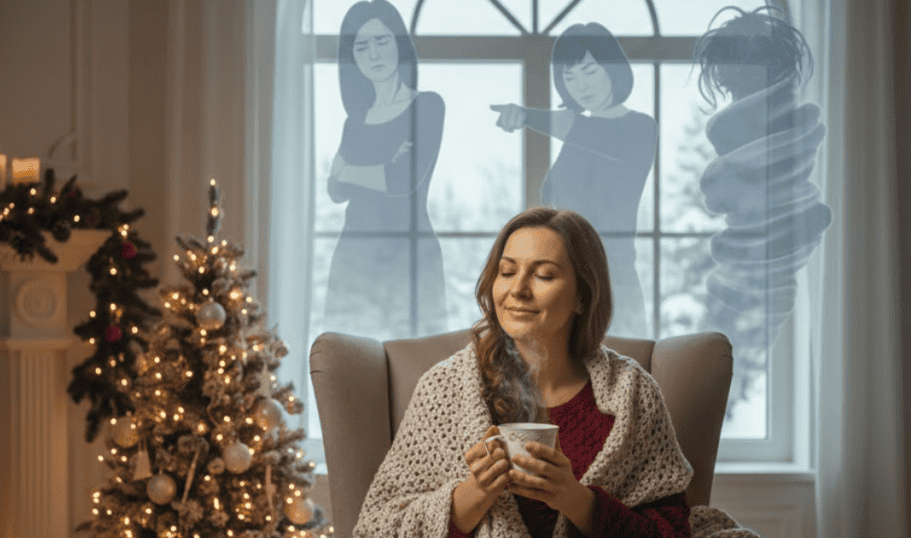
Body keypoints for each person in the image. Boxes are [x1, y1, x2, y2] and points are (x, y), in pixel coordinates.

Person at [352, 207, 758, 537]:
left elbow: (670, 533)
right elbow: (378, 527)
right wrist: (476, 492)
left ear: (582, 296)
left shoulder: (632, 394)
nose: (518, 290)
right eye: (507, 271)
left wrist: (575, 499)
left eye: (543, 274)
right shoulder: (445, 390)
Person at [490, 22, 656, 339]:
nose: (581, 85)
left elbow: (589, 131)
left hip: (610, 280)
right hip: (560, 281)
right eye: (570, 76)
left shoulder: (638, 127)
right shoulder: (575, 140)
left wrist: (526, 115)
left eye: (590, 71)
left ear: (614, 70)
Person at [692, 6, 831, 374]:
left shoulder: (787, 137)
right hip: (743, 281)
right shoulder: (740, 145)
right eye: (734, 78)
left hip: (759, 283)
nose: (738, 87)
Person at [323, 0, 448, 340]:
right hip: (354, 254)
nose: (373, 55)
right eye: (362, 47)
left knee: (417, 362)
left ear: (399, 44)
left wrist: (351, 171)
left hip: (409, 254)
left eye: (382, 41)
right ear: (353, 59)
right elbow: (334, 189)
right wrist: (375, 170)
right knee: (348, 363)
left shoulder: (428, 105)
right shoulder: (355, 120)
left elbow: (402, 179)